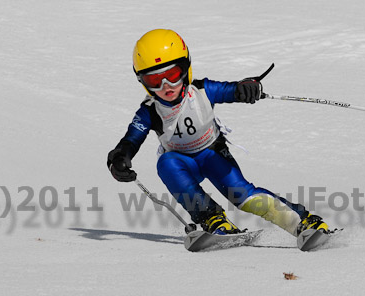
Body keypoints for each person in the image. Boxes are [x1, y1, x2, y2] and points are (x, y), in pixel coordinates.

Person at [107, 29, 329, 236]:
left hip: (213, 154)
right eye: (155, 80)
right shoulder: (149, 111)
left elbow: (232, 90)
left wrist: (246, 88)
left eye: (173, 75)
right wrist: (119, 157)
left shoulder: (202, 91)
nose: (166, 86)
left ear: (186, 69)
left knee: (242, 196)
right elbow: (131, 140)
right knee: (166, 163)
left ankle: (303, 223)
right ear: (143, 82)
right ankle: (213, 219)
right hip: (182, 164)